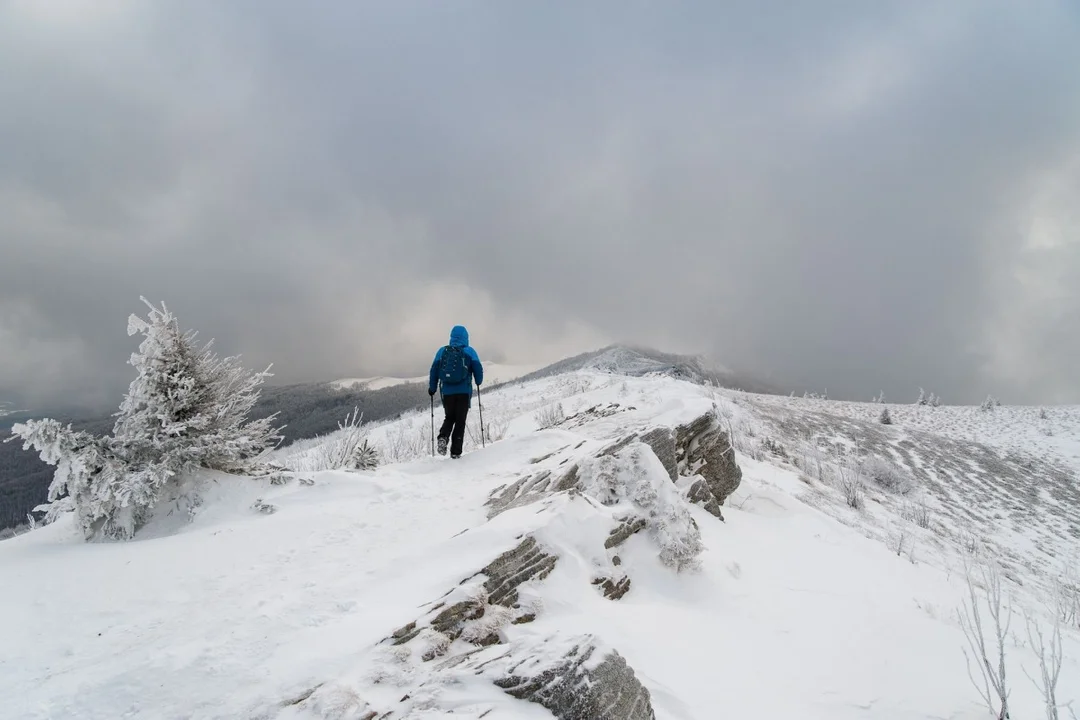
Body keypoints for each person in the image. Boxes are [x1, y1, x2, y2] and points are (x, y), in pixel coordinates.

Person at [428, 325, 483, 458]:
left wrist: (432, 388)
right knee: (460, 421)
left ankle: (443, 436)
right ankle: (455, 452)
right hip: (463, 392)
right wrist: (478, 381)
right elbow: (478, 371)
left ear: (451, 337)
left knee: (449, 417)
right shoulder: (470, 351)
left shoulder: (442, 352)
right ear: (466, 337)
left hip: (447, 393)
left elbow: (434, 370)